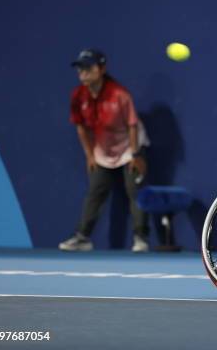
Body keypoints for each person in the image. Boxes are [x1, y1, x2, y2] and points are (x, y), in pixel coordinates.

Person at [59, 49, 150, 252]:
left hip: (130, 146)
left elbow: (132, 125)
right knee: (95, 192)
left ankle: (141, 238)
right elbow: (80, 127)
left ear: (101, 69)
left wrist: (135, 155)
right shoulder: (78, 96)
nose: (82, 73)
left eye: (88, 68)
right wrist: (90, 155)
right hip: (103, 149)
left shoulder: (120, 94)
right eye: (80, 69)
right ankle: (82, 238)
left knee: (134, 191)